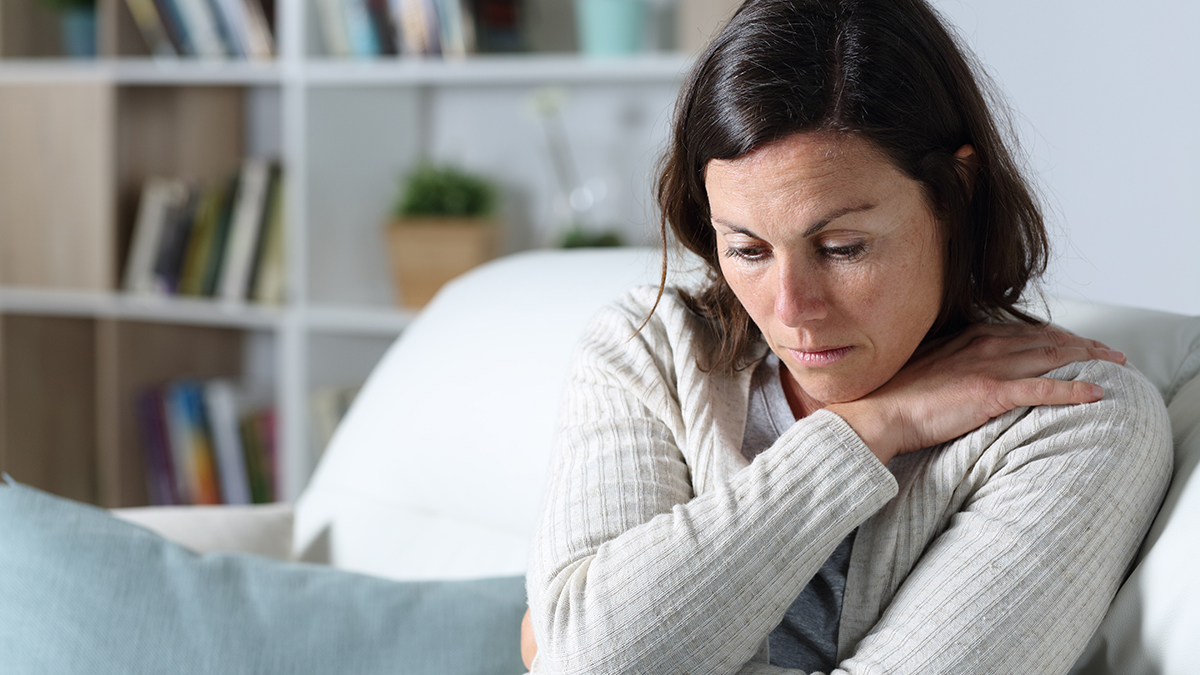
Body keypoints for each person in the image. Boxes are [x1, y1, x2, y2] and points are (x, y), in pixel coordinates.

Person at [522, 0, 1173, 672]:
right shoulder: (647, 349)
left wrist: (575, 636)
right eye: (747, 249)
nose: (791, 307)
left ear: (958, 189)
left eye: (841, 247)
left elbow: (581, 656)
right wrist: (867, 430)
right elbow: (591, 660)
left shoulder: (1076, 416)